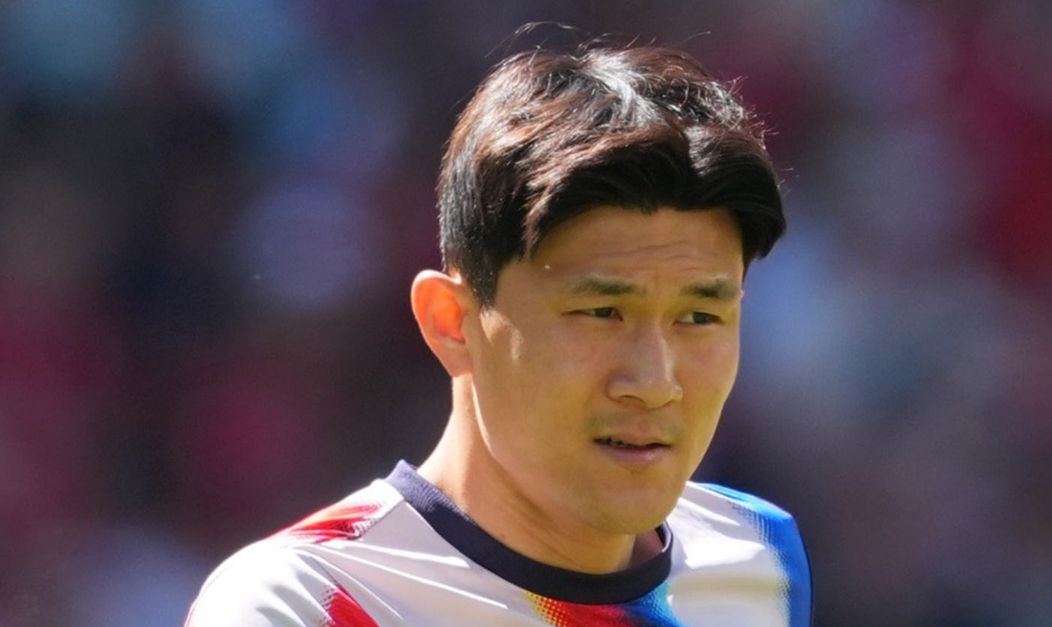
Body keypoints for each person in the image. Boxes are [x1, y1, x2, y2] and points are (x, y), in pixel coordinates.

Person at [186, 44, 812, 626]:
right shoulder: (304, 603)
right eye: (602, 312)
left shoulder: (760, 556)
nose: (653, 382)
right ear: (450, 322)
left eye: (699, 317)